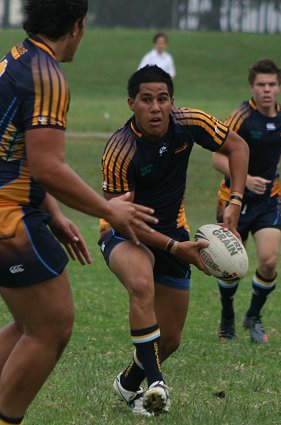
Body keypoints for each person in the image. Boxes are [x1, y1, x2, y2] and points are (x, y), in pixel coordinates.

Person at [0, 2, 157, 424]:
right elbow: (48, 165)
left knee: (29, 323)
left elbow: (16, 152)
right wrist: (109, 210)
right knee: (52, 325)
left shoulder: (15, 59)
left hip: (17, 207)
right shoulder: (47, 75)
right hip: (8, 216)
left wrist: (53, 212)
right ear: (77, 25)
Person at [99, 65, 249, 416]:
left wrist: (235, 201)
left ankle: (128, 383)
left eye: (162, 99)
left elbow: (238, 147)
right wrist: (171, 248)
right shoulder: (121, 150)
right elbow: (125, 218)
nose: (155, 107)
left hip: (174, 232)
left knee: (169, 340)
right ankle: (157, 384)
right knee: (140, 282)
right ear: (131, 104)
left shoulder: (189, 123)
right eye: (146, 100)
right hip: (124, 231)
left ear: (172, 102)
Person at [212, 58, 281, 344]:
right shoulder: (240, 117)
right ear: (252, 87)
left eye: (272, 84)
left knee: (269, 261)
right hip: (233, 199)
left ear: (279, 87)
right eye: (261, 84)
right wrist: (245, 178)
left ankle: (254, 316)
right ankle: (227, 315)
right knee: (229, 265)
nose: (266, 90)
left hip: (268, 200)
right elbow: (217, 157)